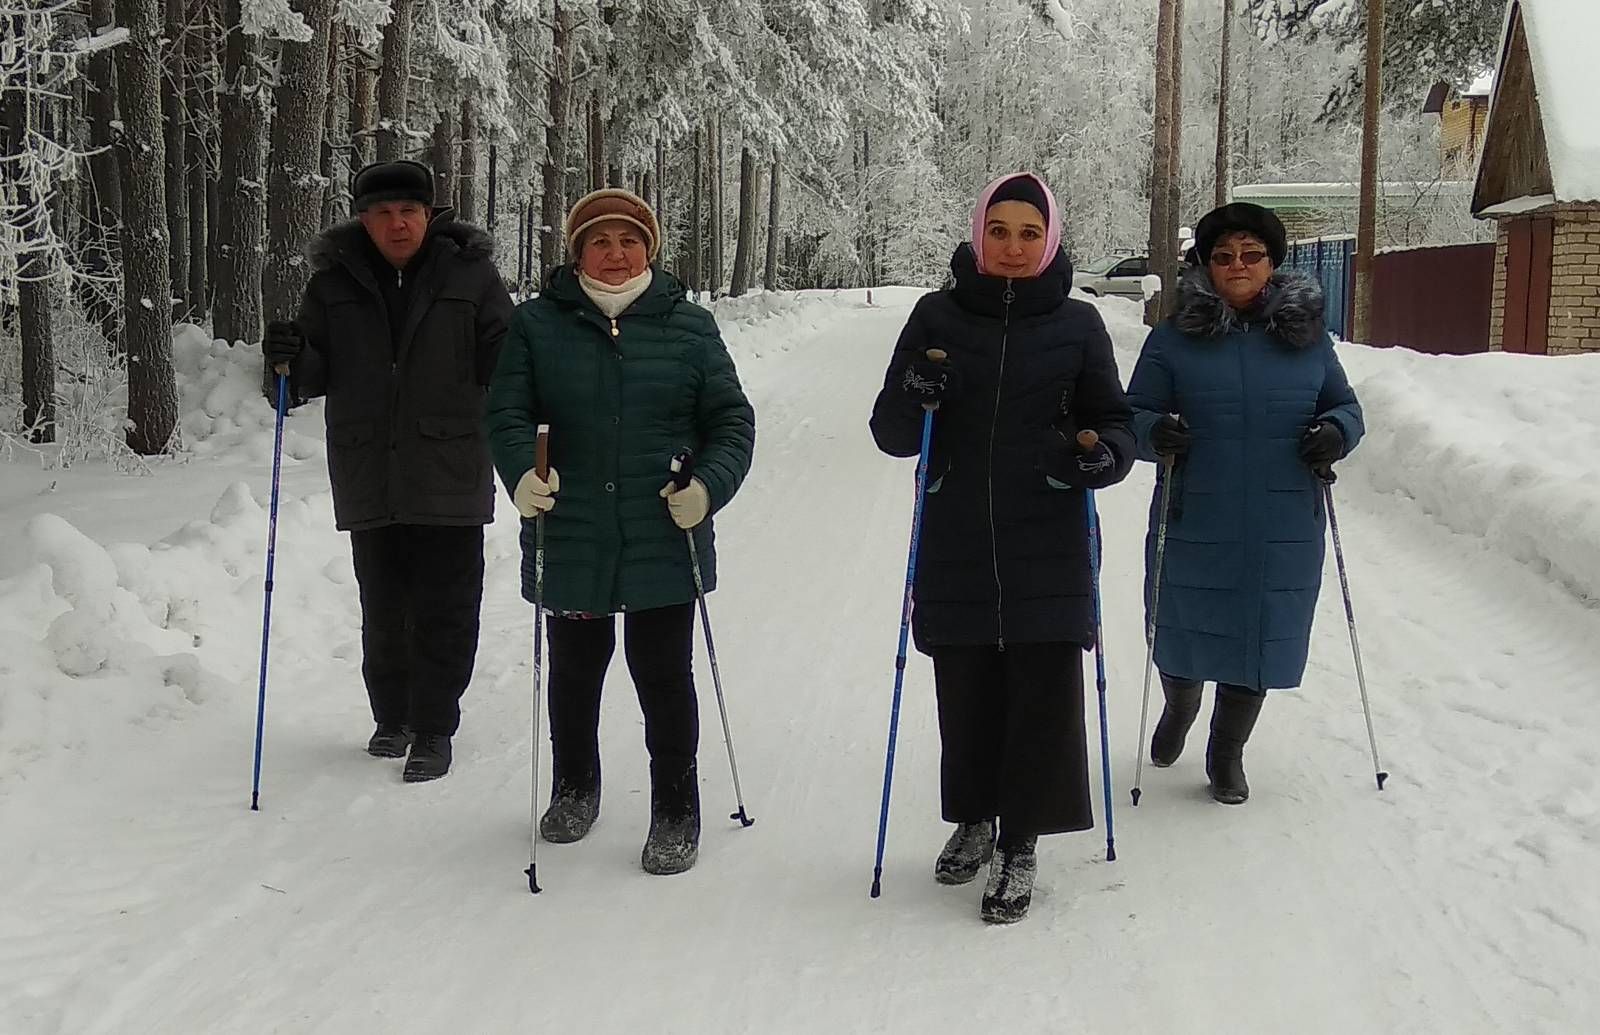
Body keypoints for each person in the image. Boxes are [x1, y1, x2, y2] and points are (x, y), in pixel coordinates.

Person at [869, 172, 1134, 924]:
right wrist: (917, 389)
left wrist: (1099, 456)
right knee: (967, 692)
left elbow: (1116, 423)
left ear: (1048, 239)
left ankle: (1020, 839)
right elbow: (890, 431)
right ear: (978, 233)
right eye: (999, 231)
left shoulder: (1078, 324)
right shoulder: (936, 314)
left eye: (1028, 233)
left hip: (1048, 536)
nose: (1013, 247)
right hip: (956, 535)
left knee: (1042, 696)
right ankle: (975, 816)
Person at [487, 188, 756, 876]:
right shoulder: (537, 325)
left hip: (664, 532)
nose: (615, 254)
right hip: (569, 531)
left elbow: (731, 422)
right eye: (599, 241)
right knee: (575, 671)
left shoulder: (689, 327)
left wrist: (708, 489)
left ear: (650, 249)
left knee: (664, 674)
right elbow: (508, 412)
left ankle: (676, 806)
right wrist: (520, 472)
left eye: (629, 240)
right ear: (576, 251)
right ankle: (575, 784)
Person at [263, 160, 512, 783]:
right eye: (382, 212)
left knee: (447, 605)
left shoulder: (470, 273)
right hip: (369, 464)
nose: (396, 223)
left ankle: (433, 726)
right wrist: (283, 361)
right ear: (364, 219)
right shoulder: (332, 283)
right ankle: (392, 716)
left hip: (449, 463)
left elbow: (506, 359)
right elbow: (302, 381)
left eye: (409, 211)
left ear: (429, 215)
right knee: (383, 601)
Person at [1125, 202, 1364, 805]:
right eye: (1224, 255)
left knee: (1258, 631)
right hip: (1195, 509)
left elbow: (1346, 407)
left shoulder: (1307, 341)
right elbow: (1130, 414)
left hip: (1282, 516)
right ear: (1206, 263)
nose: (1238, 264)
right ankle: (1179, 705)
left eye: (1251, 254)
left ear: (1271, 264)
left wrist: (1335, 431)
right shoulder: (1172, 339)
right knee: (1180, 620)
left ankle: (1226, 751)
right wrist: (1156, 433)